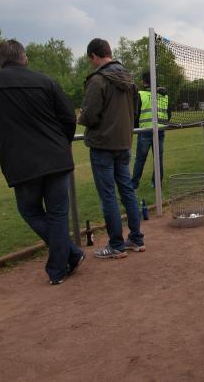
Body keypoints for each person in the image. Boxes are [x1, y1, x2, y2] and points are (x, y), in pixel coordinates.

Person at [0, 40, 84, 285]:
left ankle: (59, 267)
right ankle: (69, 255)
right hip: (57, 158)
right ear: (24, 58)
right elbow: (68, 118)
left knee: (29, 210)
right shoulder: (46, 81)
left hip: (21, 162)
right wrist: (61, 143)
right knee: (58, 214)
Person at [79, 38, 145, 259]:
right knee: (127, 189)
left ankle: (116, 245)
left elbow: (89, 115)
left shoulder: (98, 80)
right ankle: (136, 239)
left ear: (94, 56)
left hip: (103, 146)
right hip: (124, 143)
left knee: (108, 195)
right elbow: (136, 110)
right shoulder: (129, 78)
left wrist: (81, 118)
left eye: (90, 60)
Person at [131, 71, 171, 189]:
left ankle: (134, 183)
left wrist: (136, 127)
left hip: (145, 131)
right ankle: (156, 183)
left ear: (144, 81)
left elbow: (135, 114)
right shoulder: (164, 95)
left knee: (140, 159)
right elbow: (169, 114)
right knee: (158, 159)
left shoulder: (140, 94)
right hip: (160, 130)